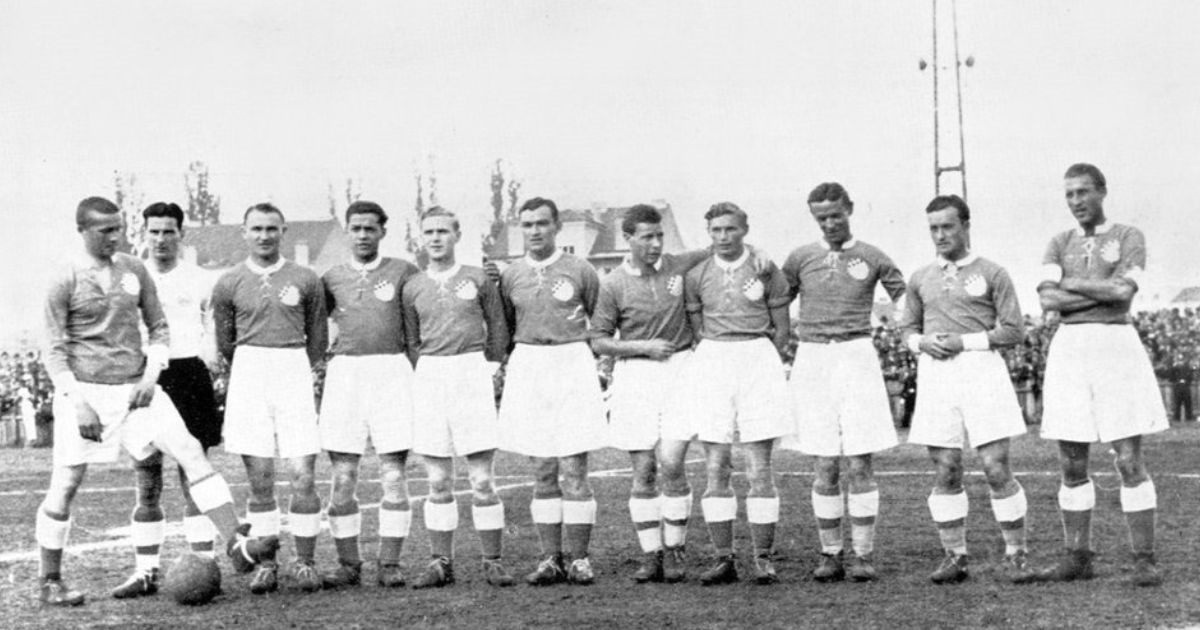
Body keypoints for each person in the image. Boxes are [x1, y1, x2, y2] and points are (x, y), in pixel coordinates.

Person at [38, 196, 275, 606]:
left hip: (137, 389)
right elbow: (53, 348)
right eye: (105, 231)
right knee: (67, 483)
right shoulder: (64, 278)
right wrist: (77, 401)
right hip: (86, 393)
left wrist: (150, 375)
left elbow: (159, 325)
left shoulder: (133, 269)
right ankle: (50, 580)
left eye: (119, 228)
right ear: (82, 231)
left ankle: (236, 544)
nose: (116, 237)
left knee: (190, 451)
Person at [1036, 163, 1168, 586]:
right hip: (1070, 349)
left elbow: (1123, 293)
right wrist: (1099, 291)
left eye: (1083, 192)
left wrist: (1071, 285)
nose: (1076, 201)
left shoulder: (1128, 236)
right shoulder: (1059, 242)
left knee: (1128, 458)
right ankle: (1078, 556)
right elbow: (1047, 301)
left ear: (1102, 191)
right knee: (1071, 460)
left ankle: (1144, 558)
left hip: (1116, 346)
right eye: (1069, 194)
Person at [899, 194, 1035, 584]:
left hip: (982, 371)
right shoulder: (920, 277)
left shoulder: (993, 272)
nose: (940, 235)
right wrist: (921, 342)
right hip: (936, 374)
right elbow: (907, 329)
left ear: (965, 226)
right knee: (946, 467)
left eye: (948, 226)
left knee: (995, 466)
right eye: (934, 228)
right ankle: (954, 556)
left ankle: (1016, 554)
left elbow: (1014, 330)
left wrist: (964, 341)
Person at [778, 183, 906, 582]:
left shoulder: (872, 255)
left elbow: (907, 298)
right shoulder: (800, 257)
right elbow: (777, 300)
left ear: (849, 209)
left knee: (860, 460)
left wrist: (911, 328)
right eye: (822, 218)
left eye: (836, 215)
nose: (830, 223)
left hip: (856, 355)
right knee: (824, 462)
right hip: (813, 357)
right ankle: (831, 553)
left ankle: (863, 555)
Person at [588, 204, 712, 583]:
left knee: (672, 463)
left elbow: (721, 249)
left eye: (660, 236)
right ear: (628, 239)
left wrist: (755, 253)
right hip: (636, 375)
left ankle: (675, 549)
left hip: (680, 370)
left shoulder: (679, 265)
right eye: (647, 237)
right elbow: (598, 340)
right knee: (643, 470)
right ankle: (651, 555)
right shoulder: (613, 284)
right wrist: (643, 346)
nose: (656, 244)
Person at [109, 201, 227, 599]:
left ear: (181, 234)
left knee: (194, 476)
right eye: (154, 232)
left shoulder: (200, 279)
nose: (161, 239)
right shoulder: (128, 278)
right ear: (143, 234)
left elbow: (212, 327)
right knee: (147, 480)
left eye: (168, 232)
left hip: (188, 375)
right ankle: (146, 571)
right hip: (142, 377)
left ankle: (204, 568)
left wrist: (211, 358)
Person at [212, 202, 328, 594]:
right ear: (244, 232)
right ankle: (267, 564)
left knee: (303, 475)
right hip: (249, 372)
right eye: (257, 228)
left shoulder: (306, 278)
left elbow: (318, 338)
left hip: (292, 368)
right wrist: (253, 362)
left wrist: (292, 366)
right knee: (260, 479)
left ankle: (306, 562)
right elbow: (226, 341)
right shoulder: (228, 282)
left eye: (271, 228)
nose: (264, 236)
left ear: (283, 231)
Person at [402, 207, 515, 588]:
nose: (436, 238)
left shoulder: (478, 278)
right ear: (421, 238)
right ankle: (440, 563)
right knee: (437, 480)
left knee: (481, 479)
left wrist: (489, 366)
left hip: (471, 371)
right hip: (431, 375)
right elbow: (411, 340)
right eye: (429, 232)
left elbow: (498, 326)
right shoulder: (413, 286)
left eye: (443, 231)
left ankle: (492, 561)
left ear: (457, 235)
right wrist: (427, 369)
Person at [498, 197, 607, 586]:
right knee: (543, 468)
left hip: (571, 361)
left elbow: (600, 320)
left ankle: (579, 559)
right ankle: (550, 559)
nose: (535, 231)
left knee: (575, 468)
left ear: (557, 226)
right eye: (527, 224)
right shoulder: (511, 274)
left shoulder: (581, 269)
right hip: (530, 363)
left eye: (542, 223)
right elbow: (507, 326)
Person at [684, 202, 791, 585]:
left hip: (757, 357)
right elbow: (697, 328)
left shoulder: (765, 268)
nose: (723, 237)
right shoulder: (696, 274)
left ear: (745, 230)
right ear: (708, 233)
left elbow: (782, 329)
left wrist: (758, 358)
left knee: (759, 466)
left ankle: (763, 558)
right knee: (716, 465)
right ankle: (723, 558)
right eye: (716, 230)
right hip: (714, 358)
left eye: (730, 229)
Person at [317, 201, 419, 589]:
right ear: (347, 231)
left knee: (393, 473)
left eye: (369, 229)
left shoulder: (404, 272)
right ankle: (348, 564)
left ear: (382, 232)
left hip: (392, 371)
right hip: (346, 373)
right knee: (343, 475)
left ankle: (390, 563)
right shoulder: (331, 278)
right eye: (356, 228)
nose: (362, 235)